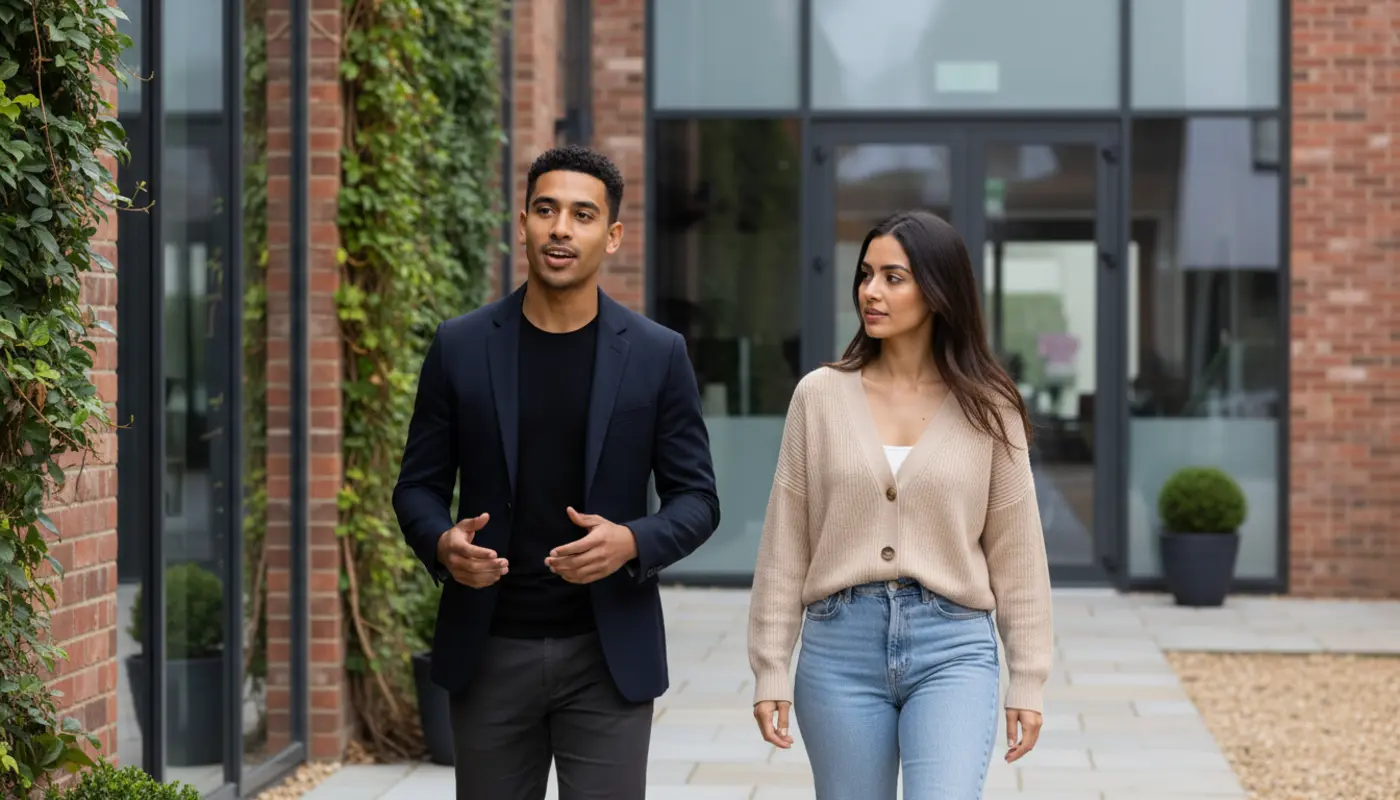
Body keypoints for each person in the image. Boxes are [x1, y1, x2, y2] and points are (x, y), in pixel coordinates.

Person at [393, 145, 721, 799]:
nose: (561, 229)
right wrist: (441, 543)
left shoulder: (657, 355)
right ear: (523, 224)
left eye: (582, 214)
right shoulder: (460, 346)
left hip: (607, 655)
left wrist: (632, 541)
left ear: (613, 235)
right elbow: (418, 486)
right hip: (489, 651)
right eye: (546, 210)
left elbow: (697, 500)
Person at [747, 209, 1053, 799]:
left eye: (894, 277)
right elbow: (785, 542)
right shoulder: (820, 396)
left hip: (954, 647)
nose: (871, 292)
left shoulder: (990, 409)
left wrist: (1029, 679)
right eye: (866, 275)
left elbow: (1019, 555)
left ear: (938, 292)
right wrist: (770, 667)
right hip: (839, 647)